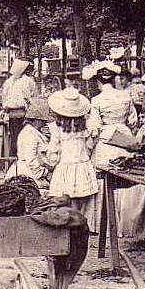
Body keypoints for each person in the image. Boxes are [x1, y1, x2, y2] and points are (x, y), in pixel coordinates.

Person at [46, 88, 99, 233]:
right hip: (82, 166)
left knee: (65, 200)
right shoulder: (85, 127)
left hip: (65, 166)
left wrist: (50, 162)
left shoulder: (56, 128)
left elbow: (54, 151)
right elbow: (89, 147)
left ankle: (69, 229)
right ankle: (79, 227)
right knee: (80, 202)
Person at [84, 60, 138, 170]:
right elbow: (133, 122)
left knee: (107, 172)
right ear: (114, 79)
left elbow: (95, 129)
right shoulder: (126, 96)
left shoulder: (96, 100)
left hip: (106, 141)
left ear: (97, 81)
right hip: (125, 138)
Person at [6, 98, 54, 187]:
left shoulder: (33, 131)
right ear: (36, 120)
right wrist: (46, 174)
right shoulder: (30, 134)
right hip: (28, 174)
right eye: (43, 122)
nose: (44, 124)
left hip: (31, 171)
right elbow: (31, 159)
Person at [1, 59, 38, 158]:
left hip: (11, 113)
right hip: (23, 113)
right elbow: (32, 98)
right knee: (23, 138)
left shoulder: (9, 81)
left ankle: (13, 159)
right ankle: (20, 160)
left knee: (14, 137)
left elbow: (4, 98)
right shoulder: (28, 81)